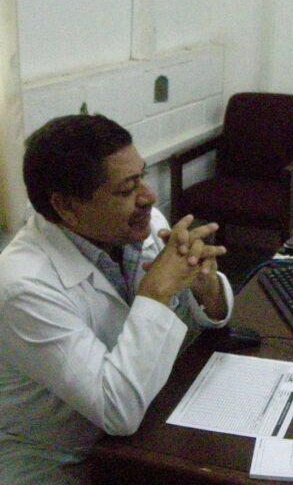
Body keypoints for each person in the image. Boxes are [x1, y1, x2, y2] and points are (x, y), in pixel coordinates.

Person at [0, 114, 234, 485]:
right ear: (65, 206)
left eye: (142, 176)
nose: (149, 196)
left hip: (144, 430)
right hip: (56, 458)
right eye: (126, 191)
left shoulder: (139, 225)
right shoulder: (22, 285)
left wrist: (206, 291)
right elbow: (117, 410)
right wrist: (156, 292)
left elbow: (189, 329)